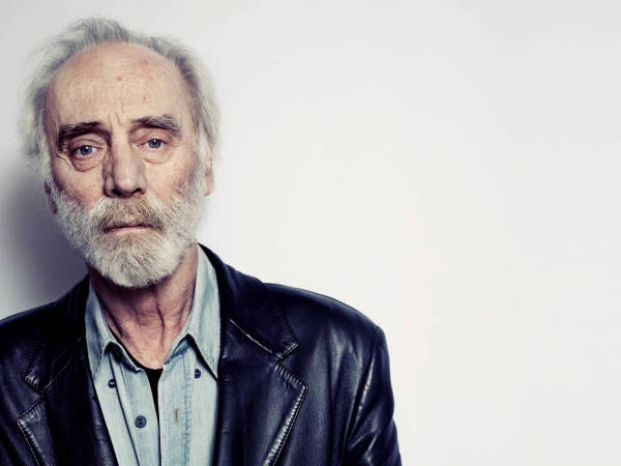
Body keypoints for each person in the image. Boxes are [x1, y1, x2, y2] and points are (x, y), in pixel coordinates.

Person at [0, 18, 401, 465]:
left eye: (154, 142)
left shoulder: (342, 355)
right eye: (86, 149)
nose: (125, 179)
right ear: (51, 189)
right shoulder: (3, 377)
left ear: (206, 166)